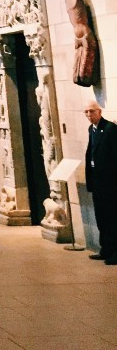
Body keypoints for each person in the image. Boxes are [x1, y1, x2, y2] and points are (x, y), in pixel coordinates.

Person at [84, 101, 117, 264]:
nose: (89, 115)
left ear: (99, 111)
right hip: (98, 181)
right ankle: (106, 248)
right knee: (101, 217)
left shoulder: (110, 129)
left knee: (113, 217)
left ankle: (115, 252)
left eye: (92, 111)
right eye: (86, 112)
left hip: (110, 182)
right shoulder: (92, 129)